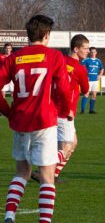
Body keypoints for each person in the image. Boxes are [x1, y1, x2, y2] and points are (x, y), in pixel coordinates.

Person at [0, 15, 72, 223]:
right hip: (44, 121)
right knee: (47, 176)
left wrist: (8, 112)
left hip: (21, 122)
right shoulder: (54, 56)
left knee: (21, 172)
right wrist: (66, 111)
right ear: (47, 35)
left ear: (28, 34)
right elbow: (63, 88)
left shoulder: (14, 58)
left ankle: (9, 218)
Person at [32, 35, 90, 182]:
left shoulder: (59, 60)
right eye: (85, 48)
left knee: (73, 143)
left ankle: (54, 174)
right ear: (76, 49)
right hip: (65, 112)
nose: (88, 51)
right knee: (66, 148)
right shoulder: (80, 68)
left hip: (51, 108)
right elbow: (85, 90)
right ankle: (43, 171)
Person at [80, 47, 104, 114]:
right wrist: (85, 76)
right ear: (89, 53)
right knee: (86, 94)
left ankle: (91, 110)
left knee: (94, 95)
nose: (93, 53)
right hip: (88, 80)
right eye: (92, 52)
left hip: (95, 81)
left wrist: (100, 75)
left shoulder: (98, 61)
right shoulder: (86, 60)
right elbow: (81, 68)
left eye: (94, 52)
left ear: (96, 53)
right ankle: (82, 110)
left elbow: (102, 69)